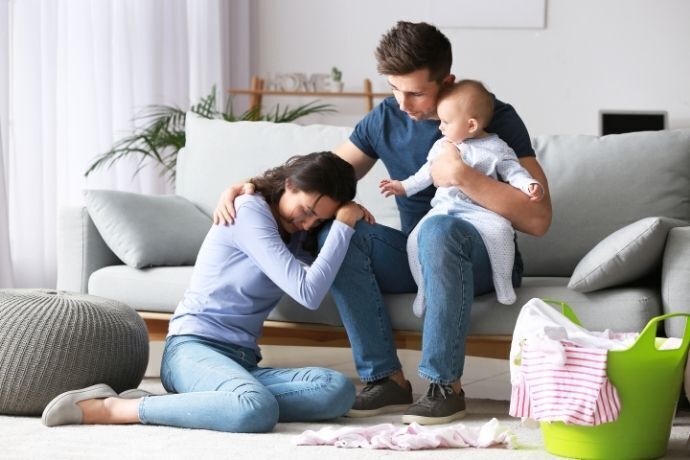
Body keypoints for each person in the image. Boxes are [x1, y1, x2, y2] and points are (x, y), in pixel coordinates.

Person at [214, 21, 552, 426]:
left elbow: (538, 218)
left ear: (447, 81)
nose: (403, 103)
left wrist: (463, 176)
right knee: (338, 231)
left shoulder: (490, 116)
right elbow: (323, 176)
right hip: (412, 256)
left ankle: (446, 387)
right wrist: (253, 185)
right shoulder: (386, 118)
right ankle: (385, 379)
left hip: (476, 256)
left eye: (415, 92)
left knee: (438, 231)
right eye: (394, 88)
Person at [42, 151, 368, 433]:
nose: (309, 223)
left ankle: (212, 402)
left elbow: (318, 270)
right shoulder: (249, 210)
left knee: (336, 389)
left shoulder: (298, 233)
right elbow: (307, 292)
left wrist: (334, 223)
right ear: (290, 185)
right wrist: (343, 224)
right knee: (254, 409)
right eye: (308, 210)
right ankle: (113, 409)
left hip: (243, 361)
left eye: (320, 219)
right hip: (192, 349)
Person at [379, 79, 544, 316]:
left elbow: (514, 172)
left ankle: (504, 284)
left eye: (446, 122)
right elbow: (424, 174)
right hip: (443, 209)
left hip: (481, 213)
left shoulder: (497, 148)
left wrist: (529, 185)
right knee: (414, 240)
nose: (440, 128)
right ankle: (423, 293)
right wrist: (402, 186)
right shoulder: (441, 147)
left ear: (471, 125)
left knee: (501, 231)